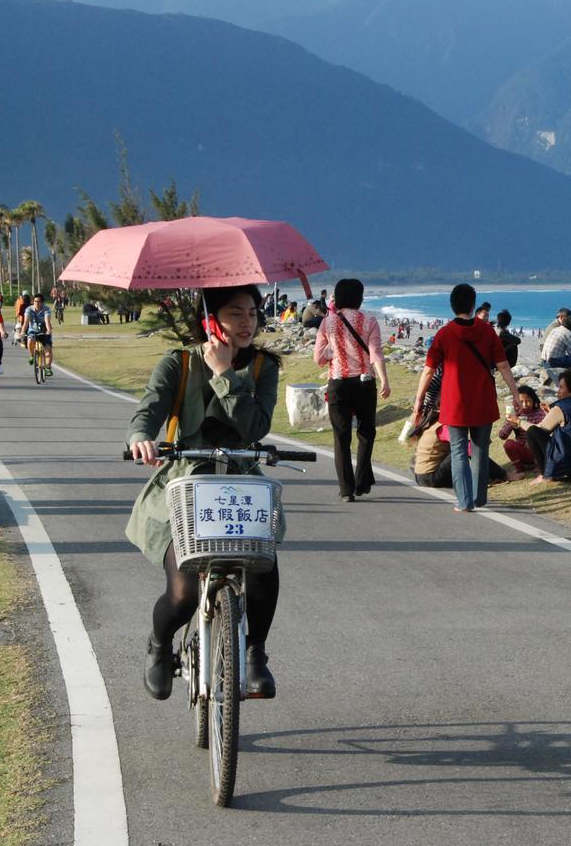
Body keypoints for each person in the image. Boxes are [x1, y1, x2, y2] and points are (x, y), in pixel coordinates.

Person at [127, 284, 283, 701]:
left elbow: (255, 427)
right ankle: (160, 646)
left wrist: (224, 375)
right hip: (184, 485)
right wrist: (141, 436)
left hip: (241, 482)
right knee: (181, 596)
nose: (247, 321)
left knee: (263, 566)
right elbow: (149, 409)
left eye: (252, 312)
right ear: (210, 319)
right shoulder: (178, 362)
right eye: (235, 313)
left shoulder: (263, 367)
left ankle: (255, 656)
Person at [411, 283, 523, 512]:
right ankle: (480, 497)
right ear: (473, 305)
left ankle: (464, 501)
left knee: (459, 450)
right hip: (483, 399)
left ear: (452, 306)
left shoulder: (444, 334)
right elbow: (503, 366)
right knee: (481, 449)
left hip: (454, 403)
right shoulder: (487, 331)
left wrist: (418, 401)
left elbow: (429, 370)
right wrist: (515, 394)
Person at [313, 278, 390, 501]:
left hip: (338, 383)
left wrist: (332, 351)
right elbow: (375, 353)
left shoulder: (327, 323)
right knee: (366, 433)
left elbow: (318, 358)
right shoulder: (369, 321)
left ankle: (346, 490)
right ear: (360, 297)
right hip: (365, 382)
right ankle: (361, 481)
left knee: (341, 436)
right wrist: (384, 380)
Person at [497, 385, 547, 472]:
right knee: (508, 444)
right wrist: (511, 424)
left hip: (538, 451)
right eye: (521, 401)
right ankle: (520, 468)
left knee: (534, 440)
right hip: (524, 452)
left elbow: (544, 432)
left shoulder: (540, 413)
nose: (524, 405)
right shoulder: (513, 414)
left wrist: (531, 440)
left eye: (528, 401)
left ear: (534, 400)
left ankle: (539, 465)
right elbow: (502, 436)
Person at [23, 292, 54, 376]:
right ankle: (32, 355)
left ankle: (48, 368)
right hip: (33, 331)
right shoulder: (29, 309)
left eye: (39, 301)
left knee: (48, 352)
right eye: (35, 301)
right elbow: (26, 322)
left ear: (42, 302)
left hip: (44, 331)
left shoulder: (46, 309)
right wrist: (22, 331)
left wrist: (49, 331)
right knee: (30, 341)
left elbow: (47, 321)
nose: (37, 303)